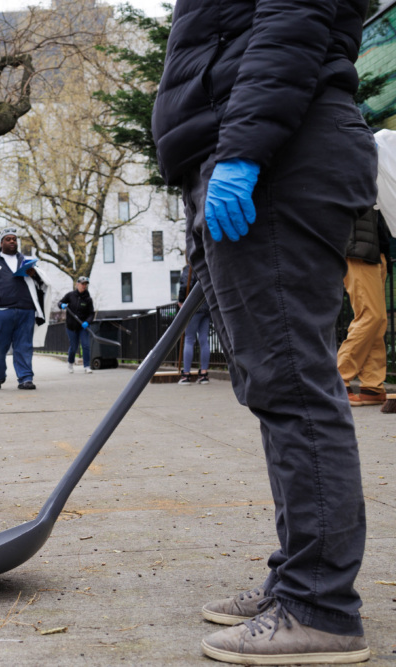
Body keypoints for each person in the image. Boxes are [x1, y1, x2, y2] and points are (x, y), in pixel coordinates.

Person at [153, 1, 375, 663]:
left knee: (292, 383)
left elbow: (293, 20)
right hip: (252, 147)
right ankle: (299, 576)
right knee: (272, 385)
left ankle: (320, 604)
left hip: (277, 152)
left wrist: (244, 151)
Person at [0, 229, 47, 390]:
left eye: (14, 239)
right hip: (1, 312)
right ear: (1, 243)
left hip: (25, 311)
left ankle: (25, 378)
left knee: (24, 346)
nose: (12, 241)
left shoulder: (26, 261)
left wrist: (34, 274)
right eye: (8, 239)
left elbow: (42, 284)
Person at [338, 209, 392, 406]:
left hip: (376, 249)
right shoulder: (349, 178)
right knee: (370, 315)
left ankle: (371, 386)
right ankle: (337, 378)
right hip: (357, 248)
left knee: (379, 320)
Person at [176, 265, 210, 385]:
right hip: (207, 306)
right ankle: (204, 374)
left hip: (193, 307)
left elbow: (185, 285)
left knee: (189, 339)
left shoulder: (189, 268)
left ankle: (186, 375)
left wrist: (181, 301)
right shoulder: (206, 266)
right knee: (203, 339)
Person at [58, 276, 95, 374]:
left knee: (86, 345)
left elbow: (91, 313)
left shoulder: (88, 299)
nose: (84, 286)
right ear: (77, 284)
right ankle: (70, 363)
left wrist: (87, 322)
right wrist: (62, 305)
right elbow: (60, 302)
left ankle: (87, 366)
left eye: (85, 284)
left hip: (83, 326)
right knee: (74, 347)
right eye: (82, 284)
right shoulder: (70, 295)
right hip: (71, 326)